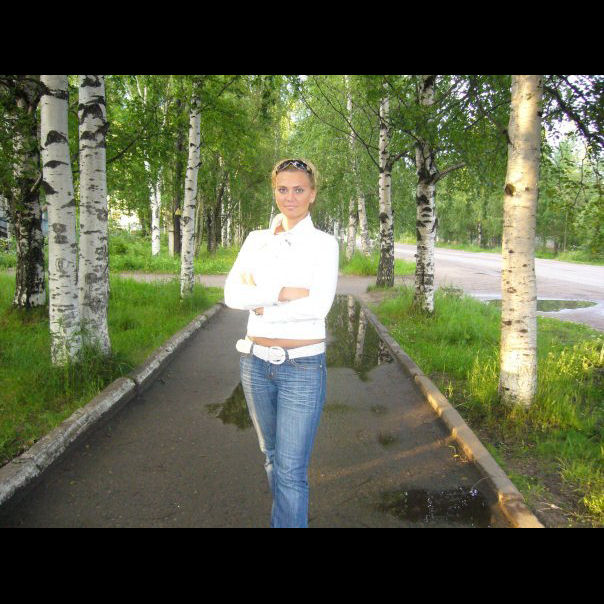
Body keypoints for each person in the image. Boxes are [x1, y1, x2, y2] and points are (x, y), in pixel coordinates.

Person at [224, 158, 339, 528]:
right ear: (274, 192)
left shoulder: (325, 244)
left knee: (290, 470)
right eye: (283, 189)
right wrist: (284, 293)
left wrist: (260, 302)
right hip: (254, 363)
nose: (290, 197)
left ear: (312, 194)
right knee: (271, 456)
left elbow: (318, 306)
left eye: (299, 189)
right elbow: (231, 294)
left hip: (302, 367)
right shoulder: (255, 240)